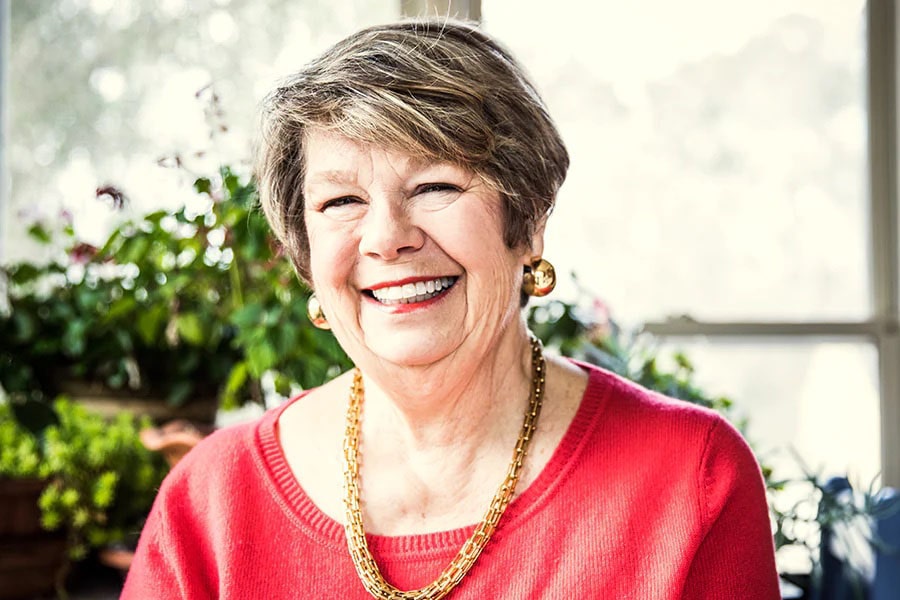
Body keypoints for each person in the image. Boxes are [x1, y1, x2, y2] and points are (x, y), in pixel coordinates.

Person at [122, 19, 780, 599]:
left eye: (434, 185)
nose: (387, 238)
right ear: (305, 254)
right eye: (340, 202)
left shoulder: (691, 477)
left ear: (527, 222)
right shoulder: (211, 501)